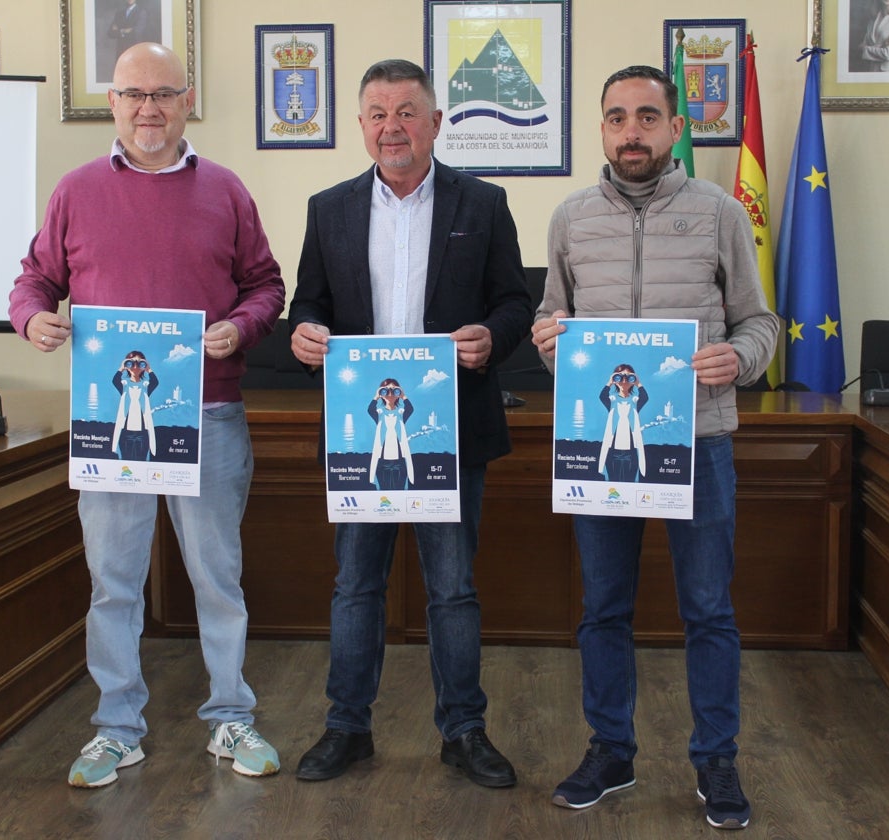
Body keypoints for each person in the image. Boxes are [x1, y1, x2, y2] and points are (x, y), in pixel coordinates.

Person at [8, 42, 286, 789]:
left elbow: (266, 284)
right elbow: (34, 279)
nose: (148, 109)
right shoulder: (75, 190)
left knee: (217, 580)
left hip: (211, 414)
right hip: (110, 426)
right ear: (113, 103)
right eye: (133, 95)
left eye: (163, 94)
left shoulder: (226, 190)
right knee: (115, 582)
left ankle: (231, 717)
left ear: (187, 99)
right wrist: (31, 318)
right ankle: (116, 729)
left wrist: (243, 325)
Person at [531, 65, 778, 829]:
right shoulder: (571, 218)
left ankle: (717, 760)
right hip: (598, 451)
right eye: (615, 118)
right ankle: (610, 749)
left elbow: (759, 323)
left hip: (697, 444)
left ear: (675, 129)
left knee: (707, 610)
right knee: (603, 608)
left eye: (645, 117)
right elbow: (553, 322)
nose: (629, 131)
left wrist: (737, 359)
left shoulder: (718, 213)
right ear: (601, 129)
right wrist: (547, 342)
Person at [288, 58, 532, 788]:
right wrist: (304, 334)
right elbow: (310, 304)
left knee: (452, 588)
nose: (390, 126)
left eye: (405, 111)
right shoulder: (328, 207)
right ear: (361, 125)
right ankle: (346, 727)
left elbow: (515, 302)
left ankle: (464, 731)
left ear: (435, 122)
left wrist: (493, 338)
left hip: (449, 433)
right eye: (376, 113)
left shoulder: (482, 204)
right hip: (362, 439)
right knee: (355, 585)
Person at [599, 364, 647, 482]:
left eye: (628, 377)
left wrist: (637, 382)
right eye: (620, 377)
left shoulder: (635, 401)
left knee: (630, 482)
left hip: (631, 451)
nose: (624, 380)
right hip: (613, 450)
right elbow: (602, 396)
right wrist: (610, 382)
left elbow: (645, 397)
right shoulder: (612, 400)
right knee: (612, 481)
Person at [367, 378, 414, 490]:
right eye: (386, 390)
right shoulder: (379, 413)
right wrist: (376, 396)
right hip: (382, 460)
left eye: (394, 390)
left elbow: (410, 409)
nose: (390, 394)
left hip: (399, 459)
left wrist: (403, 396)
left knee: (400, 489)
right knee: (384, 490)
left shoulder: (401, 413)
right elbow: (370, 410)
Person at [112, 350, 158, 460]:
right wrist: (122, 367)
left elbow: (155, 382)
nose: (135, 367)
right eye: (131, 363)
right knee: (125, 460)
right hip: (125, 432)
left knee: (141, 460)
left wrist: (148, 368)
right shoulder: (124, 385)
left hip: (143, 433)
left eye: (139, 363)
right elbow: (115, 380)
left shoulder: (146, 386)